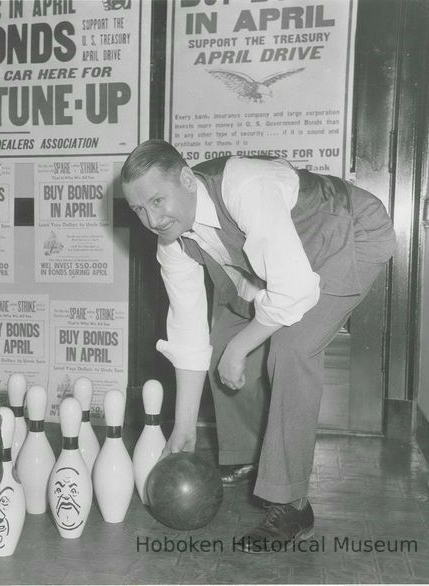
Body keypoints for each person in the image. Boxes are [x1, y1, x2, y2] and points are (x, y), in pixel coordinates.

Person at [121, 140, 395, 552]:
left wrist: (239, 349)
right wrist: (184, 429)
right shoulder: (172, 243)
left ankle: (292, 505)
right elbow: (189, 335)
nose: (153, 219)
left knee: (292, 346)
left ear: (185, 179)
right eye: (139, 210)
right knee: (222, 335)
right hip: (293, 256)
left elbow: (295, 289)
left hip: (352, 232)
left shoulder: (244, 185)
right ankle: (254, 452)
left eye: (157, 200)